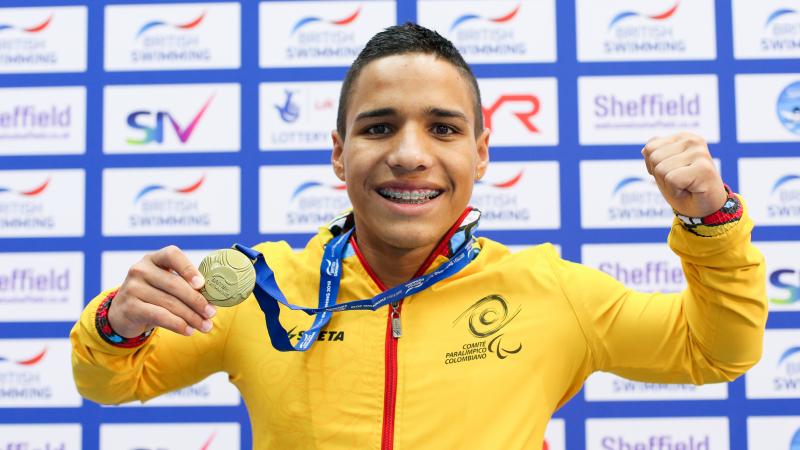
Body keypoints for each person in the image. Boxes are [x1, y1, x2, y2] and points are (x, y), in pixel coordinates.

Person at [71, 23, 767, 449]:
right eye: (379, 128)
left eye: (442, 128)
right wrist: (117, 324)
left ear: (481, 152)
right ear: (339, 153)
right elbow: (109, 382)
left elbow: (717, 351)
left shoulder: (553, 292)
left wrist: (711, 225)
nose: (410, 154)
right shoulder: (265, 287)